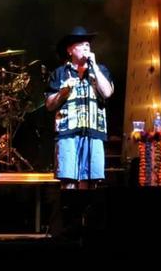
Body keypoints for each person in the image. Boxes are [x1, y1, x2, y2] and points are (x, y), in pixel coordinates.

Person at [46, 26, 114, 189]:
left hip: (93, 133)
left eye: (88, 45)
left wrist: (94, 67)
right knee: (68, 182)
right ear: (70, 50)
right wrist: (62, 93)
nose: (86, 47)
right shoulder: (60, 73)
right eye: (81, 44)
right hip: (67, 134)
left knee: (90, 183)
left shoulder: (100, 70)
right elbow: (49, 105)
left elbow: (107, 93)